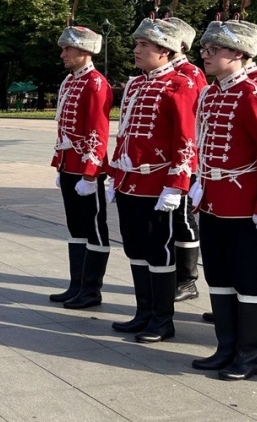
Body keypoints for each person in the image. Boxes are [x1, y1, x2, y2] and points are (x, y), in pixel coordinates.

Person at [190, 20, 257, 381]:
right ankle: (225, 347)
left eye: (215, 50)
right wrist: (199, 184)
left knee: (249, 281)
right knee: (218, 277)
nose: (206, 55)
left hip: (247, 205)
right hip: (215, 201)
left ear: (240, 54)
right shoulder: (210, 94)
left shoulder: (254, 94)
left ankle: (249, 354)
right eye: (205, 49)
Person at [108, 18, 197, 343]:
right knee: (135, 248)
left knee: (159, 251)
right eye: (138, 44)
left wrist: (177, 185)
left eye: (143, 45)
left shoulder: (181, 84)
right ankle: (143, 312)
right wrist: (116, 175)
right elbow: (125, 134)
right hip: (130, 183)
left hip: (159, 186)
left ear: (165, 50)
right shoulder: (134, 85)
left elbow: (187, 140)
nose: (137, 50)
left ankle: (162, 319)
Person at [50, 25, 113, 310]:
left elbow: (97, 132)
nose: (62, 54)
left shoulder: (96, 83)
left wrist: (91, 173)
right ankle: (76, 285)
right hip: (68, 165)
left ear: (85, 51)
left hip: (87, 170)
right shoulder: (70, 81)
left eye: (68, 49)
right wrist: (61, 166)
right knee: (75, 228)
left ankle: (91, 289)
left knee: (94, 229)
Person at [160, 16, 207, 303]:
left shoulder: (190, 74)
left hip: (184, 160)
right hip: (159, 163)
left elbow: (190, 123)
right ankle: (167, 273)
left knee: (183, 218)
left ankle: (187, 280)